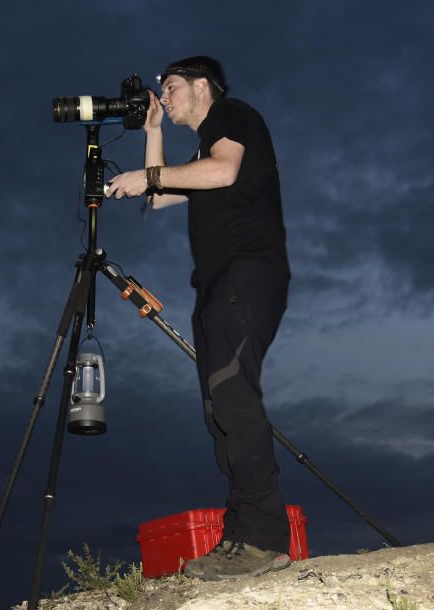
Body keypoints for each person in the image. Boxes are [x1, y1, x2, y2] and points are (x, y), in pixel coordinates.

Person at [106, 56, 291, 580]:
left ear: (202, 85)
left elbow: (223, 171)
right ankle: (243, 535)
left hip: (247, 275)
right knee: (219, 409)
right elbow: (160, 197)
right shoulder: (203, 145)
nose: (163, 95)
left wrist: (148, 175)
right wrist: (152, 133)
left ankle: (263, 537)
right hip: (217, 286)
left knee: (232, 395)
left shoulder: (232, 115)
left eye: (170, 87)